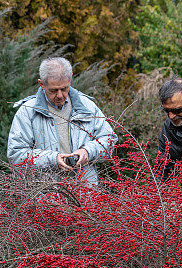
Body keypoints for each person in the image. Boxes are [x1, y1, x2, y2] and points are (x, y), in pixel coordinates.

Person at [7, 57, 117, 185]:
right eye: (53, 90)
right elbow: (16, 155)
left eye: (64, 89)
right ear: (41, 84)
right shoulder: (28, 112)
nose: (60, 95)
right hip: (47, 195)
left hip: (86, 194)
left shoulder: (87, 106)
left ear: (70, 79)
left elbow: (109, 139)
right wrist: (53, 159)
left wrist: (87, 152)